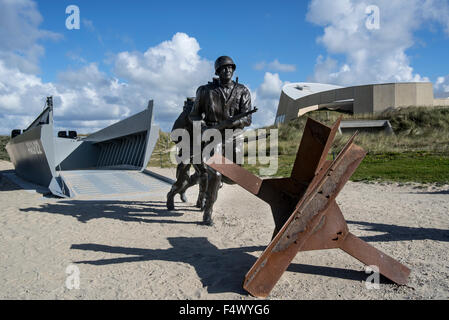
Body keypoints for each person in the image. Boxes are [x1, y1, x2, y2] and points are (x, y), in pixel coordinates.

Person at [189, 56, 253, 226]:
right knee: (216, 174)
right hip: (212, 135)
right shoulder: (205, 90)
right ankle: (208, 212)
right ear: (217, 71)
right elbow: (194, 115)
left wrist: (234, 122)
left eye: (230, 67)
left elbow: (248, 119)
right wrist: (204, 128)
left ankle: (213, 184)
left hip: (233, 136)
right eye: (224, 68)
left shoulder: (243, 91)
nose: (228, 71)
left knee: (233, 176)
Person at [166, 98, 208, 211]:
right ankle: (172, 195)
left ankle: (201, 200)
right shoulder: (186, 114)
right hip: (186, 150)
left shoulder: (207, 113)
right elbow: (175, 134)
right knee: (182, 179)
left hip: (200, 150)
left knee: (204, 175)